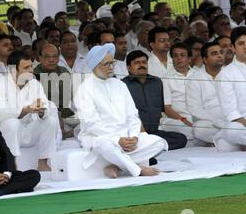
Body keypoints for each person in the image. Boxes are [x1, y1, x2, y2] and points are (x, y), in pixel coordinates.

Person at [74, 43, 166, 178]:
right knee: (106, 146)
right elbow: (91, 125)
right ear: (95, 65)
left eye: (112, 63)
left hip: (127, 137)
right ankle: (137, 170)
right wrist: (117, 139)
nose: (111, 67)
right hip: (100, 137)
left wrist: (134, 136)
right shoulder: (84, 89)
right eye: (107, 64)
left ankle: (116, 165)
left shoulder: (120, 85)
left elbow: (133, 115)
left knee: (159, 143)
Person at [0, 50, 60, 172]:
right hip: (4, 134)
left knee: (50, 120)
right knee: (12, 123)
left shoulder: (35, 84)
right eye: (26, 68)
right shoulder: (0, 85)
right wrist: (25, 110)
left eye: (31, 66)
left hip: (27, 130)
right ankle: (12, 164)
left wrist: (42, 111)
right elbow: (0, 114)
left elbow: (45, 105)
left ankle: (43, 163)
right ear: (13, 70)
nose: (31, 70)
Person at [123, 50, 187, 150]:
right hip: (134, 134)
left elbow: (161, 110)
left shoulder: (156, 82)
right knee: (129, 143)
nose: (141, 65)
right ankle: (152, 146)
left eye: (144, 62)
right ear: (129, 68)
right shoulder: (122, 85)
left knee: (181, 139)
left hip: (154, 133)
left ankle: (150, 147)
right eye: (137, 63)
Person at [215, 27, 246, 152]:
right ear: (232, 47)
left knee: (226, 147)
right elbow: (230, 112)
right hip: (243, 127)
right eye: (241, 43)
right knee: (232, 129)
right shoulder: (225, 74)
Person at [186, 41, 225, 145]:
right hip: (210, 123)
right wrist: (218, 122)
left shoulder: (231, 74)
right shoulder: (194, 79)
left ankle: (222, 140)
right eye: (214, 54)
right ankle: (231, 139)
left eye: (221, 52)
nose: (220, 55)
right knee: (199, 129)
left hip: (231, 119)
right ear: (205, 59)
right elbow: (195, 109)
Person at [160, 43, 196, 141]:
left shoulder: (198, 76)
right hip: (177, 120)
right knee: (181, 127)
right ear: (172, 59)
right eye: (175, 56)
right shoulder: (166, 78)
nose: (179, 58)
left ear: (189, 58)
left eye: (182, 55)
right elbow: (166, 108)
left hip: (196, 118)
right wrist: (183, 120)